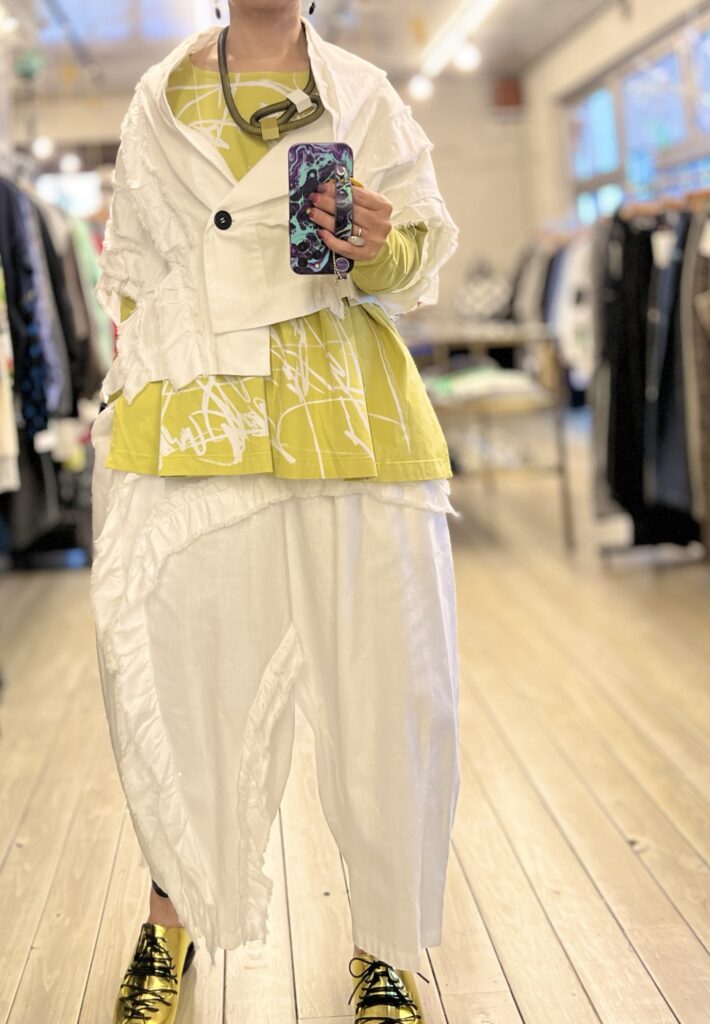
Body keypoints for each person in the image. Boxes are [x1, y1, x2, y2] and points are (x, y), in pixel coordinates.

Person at [89, 1, 461, 1021]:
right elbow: (132, 273)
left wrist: (378, 245)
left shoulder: (363, 93)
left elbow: (416, 257)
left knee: (388, 685)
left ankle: (385, 944)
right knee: (176, 676)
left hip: (346, 412)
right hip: (197, 414)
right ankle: (170, 916)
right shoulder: (158, 98)